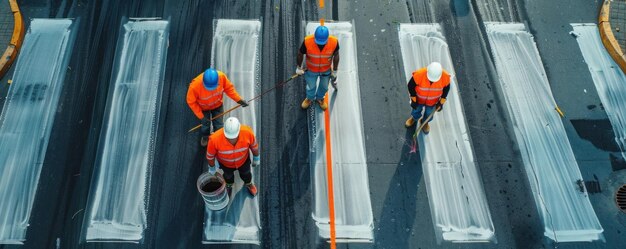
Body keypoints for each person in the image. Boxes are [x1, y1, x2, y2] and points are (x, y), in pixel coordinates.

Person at [187, 68, 249, 146]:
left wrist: (239, 100)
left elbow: (229, 89)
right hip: (203, 108)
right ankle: (205, 136)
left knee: (219, 125)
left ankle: (218, 138)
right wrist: (201, 116)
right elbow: (191, 102)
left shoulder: (221, 77)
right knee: (205, 124)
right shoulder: (194, 86)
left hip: (217, 105)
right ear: (203, 83)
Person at [206, 117, 260, 197]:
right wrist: (212, 167)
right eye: (229, 137)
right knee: (228, 176)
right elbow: (210, 156)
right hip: (226, 165)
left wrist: (256, 157)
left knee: (246, 174)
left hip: (243, 161)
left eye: (234, 137)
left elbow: (254, 147)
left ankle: (249, 184)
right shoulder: (214, 139)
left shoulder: (248, 132)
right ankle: (229, 185)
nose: (232, 140)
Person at [295, 25, 340, 111]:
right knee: (311, 86)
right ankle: (309, 98)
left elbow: (336, 55)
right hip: (310, 70)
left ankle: (320, 98)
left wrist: (334, 70)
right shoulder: (307, 41)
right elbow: (300, 53)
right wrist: (299, 67)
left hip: (325, 70)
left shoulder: (334, 42)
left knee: (324, 87)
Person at [405, 62, 451, 134]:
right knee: (416, 110)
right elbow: (410, 86)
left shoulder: (445, 77)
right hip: (418, 99)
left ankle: (425, 122)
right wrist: (413, 100)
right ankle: (414, 118)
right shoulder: (419, 74)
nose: (432, 80)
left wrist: (441, 102)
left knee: (429, 113)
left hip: (433, 101)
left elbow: (446, 90)